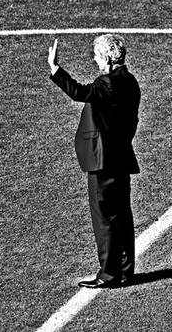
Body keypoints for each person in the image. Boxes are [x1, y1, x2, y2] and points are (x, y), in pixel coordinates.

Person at [47, 34, 140, 289]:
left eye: (98, 56)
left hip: (103, 161)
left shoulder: (107, 83)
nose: (96, 60)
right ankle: (124, 269)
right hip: (121, 156)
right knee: (122, 215)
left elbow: (80, 92)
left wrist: (56, 70)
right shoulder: (130, 82)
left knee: (105, 219)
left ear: (108, 57)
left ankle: (109, 274)